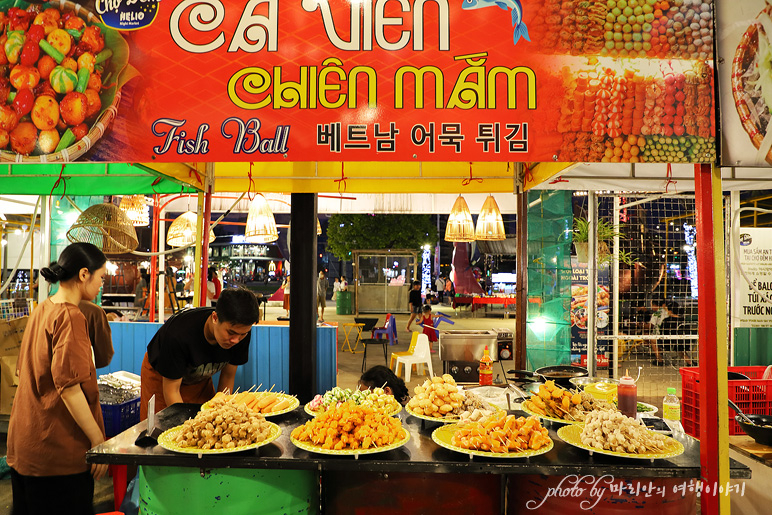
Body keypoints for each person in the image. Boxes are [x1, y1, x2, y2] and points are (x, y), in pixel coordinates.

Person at [8, 242, 109, 514]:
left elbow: (23, 371)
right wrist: (99, 441)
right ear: (84, 274)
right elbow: (69, 389)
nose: (102, 284)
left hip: (27, 444)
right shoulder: (70, 316)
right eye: (101, 276)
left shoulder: (43, 308)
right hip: (58, 453)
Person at [140, 288, 261, 419]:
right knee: (165, 428)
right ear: (215, 318)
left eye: (242, 334)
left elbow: (228, 376)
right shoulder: (178, 334)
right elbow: (171, 390)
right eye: (231, 333)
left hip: (198, 378)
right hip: (162, 378)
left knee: (210, 421)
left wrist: (222, 413)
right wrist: (186, 425)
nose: (236, 340)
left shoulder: (240, 334)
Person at [78, 300, 114, 369]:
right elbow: (104, 357)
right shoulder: (93, 311)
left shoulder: (52, 307)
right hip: (83, 373)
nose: (99, 289)